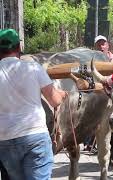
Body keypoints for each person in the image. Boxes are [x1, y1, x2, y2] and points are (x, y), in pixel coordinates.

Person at [0, 29, 67, 179]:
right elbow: (55, 100)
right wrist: (61, 94)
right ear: (19, 48)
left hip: (4, 141)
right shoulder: (33, 67)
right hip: (34, 137)